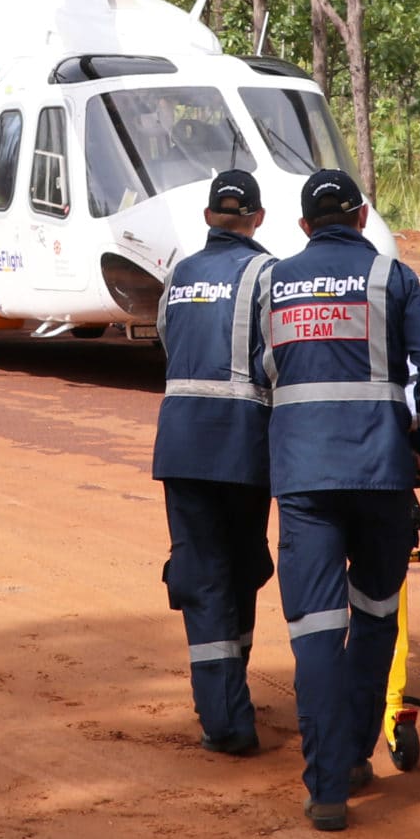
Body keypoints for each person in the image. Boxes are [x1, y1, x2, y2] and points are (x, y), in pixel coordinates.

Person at [259, 168, 420, 832]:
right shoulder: (391, 277)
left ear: (302, 225)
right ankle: (350, 756)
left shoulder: (273, 280)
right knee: (375, 618)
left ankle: (326, 789)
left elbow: (263, 373)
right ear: (363, 214)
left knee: (317, 631)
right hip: (379, 477)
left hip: (304, 481)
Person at [154, 170, 277, 757]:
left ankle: (224, 710)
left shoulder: (178, 274)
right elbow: (278, 362)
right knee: (243, 566)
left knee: (204, 576)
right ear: (256, 219)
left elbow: (168, 341)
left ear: (208, 217)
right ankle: (228, 709)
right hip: (243, 445)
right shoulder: (267, 273)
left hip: (182, 445)